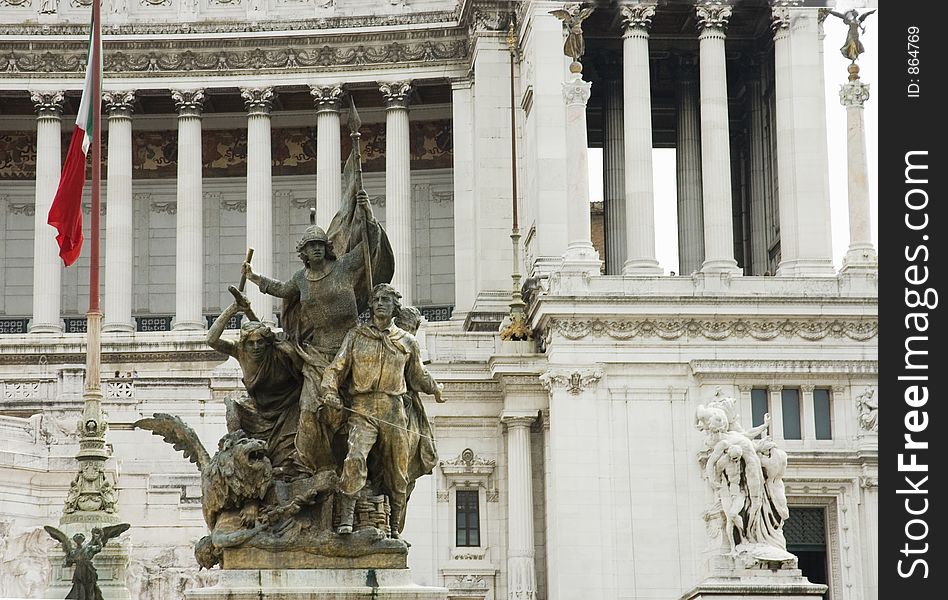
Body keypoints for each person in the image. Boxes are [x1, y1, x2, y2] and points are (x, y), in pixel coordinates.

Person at [241, 190, 384, 476]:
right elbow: (281, 290)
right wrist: (255, 278)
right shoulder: (301, 279)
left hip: (352, 347)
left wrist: (368, 216)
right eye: (311, 246)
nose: (317, 249)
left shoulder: (343, 267)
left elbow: (370, 246)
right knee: (308, 409)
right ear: (303, 253)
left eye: (320, 244)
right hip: (317, 353)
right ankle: (309, 465)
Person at [321, 284, 445, 537]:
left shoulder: (407, 341)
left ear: (394, 306)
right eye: (376, 299)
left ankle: (394, 528)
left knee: (399, 474)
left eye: (385, 300)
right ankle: (346, 518)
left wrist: (435, 388)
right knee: (354, 458)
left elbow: (417, 375)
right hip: (363, 408)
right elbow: (337, 367)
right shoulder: (357, 336)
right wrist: (330, 390)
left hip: (393, 409)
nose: (379, 303)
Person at [207, 287, 304, 476]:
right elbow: (211, 340)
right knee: (234, 410)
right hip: (259, 409)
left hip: (288, 410)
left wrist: (291, 352)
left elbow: (302, 370)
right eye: (250, 343)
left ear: (267, 343)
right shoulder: (240, 352)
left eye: (260, 342)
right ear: (244, 344)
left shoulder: (279, 352)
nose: (256, 347)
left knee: (287, 461)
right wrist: (234, 309)